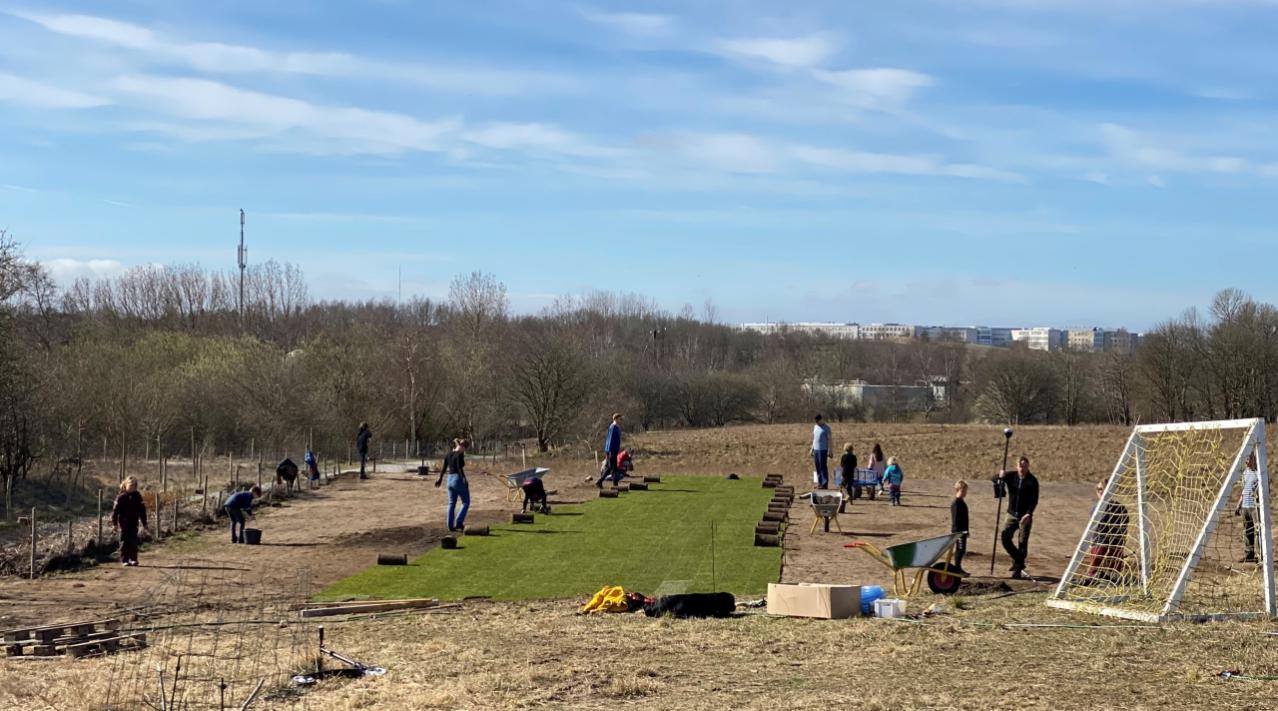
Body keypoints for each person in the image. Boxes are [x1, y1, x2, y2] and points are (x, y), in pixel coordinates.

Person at [994, 455, 1039, 579]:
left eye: (1025, 466)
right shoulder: (1011, 476)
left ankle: (1017, 570)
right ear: (1017, 466)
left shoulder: (1032, 481)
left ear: (1028, 466)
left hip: (1025, 515)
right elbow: (994, 479)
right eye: (1020, 466)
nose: (1022, 468)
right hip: (1011, 514)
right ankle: (1018, 559)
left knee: (1022, 542)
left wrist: (1029, 513)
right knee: (1005, 537)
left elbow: (1034, 500)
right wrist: (1000, 476)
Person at [1087, 479, 1129, 582]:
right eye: (1098, 489)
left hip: (1114, 544)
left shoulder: (1120, 508)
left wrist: (1120, 544)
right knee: (1093, 571)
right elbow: (1093, 528)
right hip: (1099, 544)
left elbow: (1124, 527)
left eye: (1103, 489)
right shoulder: (1095, 508)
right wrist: (1092, 543)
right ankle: (1094, 577)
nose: (1100, 491)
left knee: (1115, 574)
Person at [435, 438, 472, 531]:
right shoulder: (459, 455)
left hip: (449, 479)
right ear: (463, 447)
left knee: (451, 503)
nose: (465, 451)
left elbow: (443, 468)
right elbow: (460, 468)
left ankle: (450, 525)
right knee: (466, 502)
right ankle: (459, 522)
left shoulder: (448, 454)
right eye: (465, 449)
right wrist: (464, 479)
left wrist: (440, 479)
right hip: (457, 479)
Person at [111, 476, 148, 566]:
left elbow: (142, 511)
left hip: (134, 522)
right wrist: (114, 524)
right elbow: (115, 512)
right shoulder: (121, 497)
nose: (132, 488)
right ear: (126, 485)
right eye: (130, 486)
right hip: (123, 523)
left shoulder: (137, 496)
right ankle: (125, 560)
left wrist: (144, 523)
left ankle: (133, 559)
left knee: (133, 541)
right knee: (124, 541)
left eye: (134, 486)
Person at [1236, 452, 1260, 563]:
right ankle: (1249, 554)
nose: (1246, 462)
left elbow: (1265, 490)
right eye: (1245, 459)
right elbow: (1244, 490)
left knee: (1258, 531)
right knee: (1247, 531)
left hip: (1255, 507)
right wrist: (1239, 504)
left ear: (1253, 459)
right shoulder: (1245, 472)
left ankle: (1261, 555)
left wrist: (1258, 489)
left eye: (1248, 459)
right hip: (1245, 506)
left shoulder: (1260, 473)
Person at [595, 413, 623, 488]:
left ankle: (600, 481)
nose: (621, 420)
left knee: (611, 468)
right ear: (616, 419)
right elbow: (610, 440)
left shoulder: (615, 427)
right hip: (611, 450)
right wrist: (610, 451)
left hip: (613, 450)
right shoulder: (613, 427)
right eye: (620, 419)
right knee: (613, 468)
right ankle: (615, 485)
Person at [951, 480, 969, 575]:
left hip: (963, 531)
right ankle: (957, 567)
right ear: (957, 490)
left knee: (962, 549)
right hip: (958, 531)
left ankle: (958, 567)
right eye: (963, 491)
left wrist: (967, 531)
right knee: (960, 549)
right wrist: (958, 532)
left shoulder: (961, 502)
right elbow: (955, 519)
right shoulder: (956, 503)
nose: (965, 493)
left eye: (965, 491)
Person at [811, 414, 832, 489]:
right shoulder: (815, 427)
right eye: (815, 421)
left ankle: (824, 484)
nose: (816, 422)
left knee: (823, 467)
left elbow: (829, 439)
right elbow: (814, 439)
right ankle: (819, 483)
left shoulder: (827, 428)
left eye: (817, 421)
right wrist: (812, 449)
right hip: (816, 450)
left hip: (823, 450)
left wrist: (830, 450)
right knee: (818, 467)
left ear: (821, 419)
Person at [838, 443, 857, 512]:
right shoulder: (854, 457)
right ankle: (851, 501)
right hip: (851, 473)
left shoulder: (844, 456)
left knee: (842, 486)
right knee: (849, 487)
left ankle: (846, 495)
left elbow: (841, 465)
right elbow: (855, 465)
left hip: (845, 473)